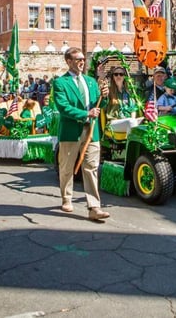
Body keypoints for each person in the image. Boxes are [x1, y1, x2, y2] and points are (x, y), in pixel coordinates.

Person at [52, 47, 111, 221]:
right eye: (78, 59)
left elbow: (98, 104)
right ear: (68, 61)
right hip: (71, 131)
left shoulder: (91, 81)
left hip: (92, 131)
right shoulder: (60, 83)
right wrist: (85, 114)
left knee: (91, 168)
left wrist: (105, 96)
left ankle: (94, 207)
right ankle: (66, 197)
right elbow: (63, 108)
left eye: (83, 59)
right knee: (67, 167)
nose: (81, 62)